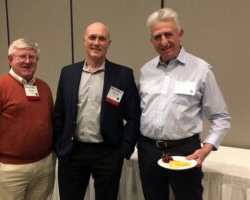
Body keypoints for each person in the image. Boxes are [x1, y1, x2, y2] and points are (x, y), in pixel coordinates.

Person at [138, 8, 231, 200]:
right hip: (148, 151)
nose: (163, 41)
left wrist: (206, 148)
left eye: (168, 34)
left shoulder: (201, 70)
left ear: (180, 34)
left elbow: (220, 117)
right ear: (151, 41)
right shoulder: (146, 70)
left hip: (185, 152)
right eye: (157, 37)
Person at [53, 22, 140, 200]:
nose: (96, 42)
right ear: (84, 40)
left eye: (102, 38)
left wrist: (123, 150)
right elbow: (59, 114)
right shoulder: (68, 73)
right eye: (92, 37)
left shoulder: (123, 75)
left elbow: (133, 117)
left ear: (109, 43)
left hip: (108, 153)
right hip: (73, 152)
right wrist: (59, 146)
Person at [0, 38, 56, 200]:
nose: (27, 61)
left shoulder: (44, 87)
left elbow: (50, 122)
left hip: (44, 165)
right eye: (22, 56)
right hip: (10, 169)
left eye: (32, 57)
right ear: (10, 59)